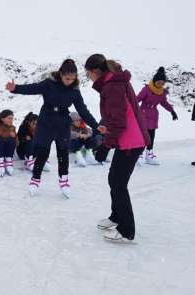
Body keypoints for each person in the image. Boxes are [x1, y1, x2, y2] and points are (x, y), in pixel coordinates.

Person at [6, 59, 100, 198]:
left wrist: (96, 127)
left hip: (62, 123)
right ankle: (35, 180)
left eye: (72, 79)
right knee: (42, 153)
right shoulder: (49, 84)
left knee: (63, 153)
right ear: (61, 74)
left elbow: (83, 111)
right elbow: (33, 88)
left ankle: (64, 181)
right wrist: (16, 88)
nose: (69, 81)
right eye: (67, 78)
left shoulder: (74, 90)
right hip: (46, 122)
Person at [85, 54, 150, 243]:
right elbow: (115, 116)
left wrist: (105, 145)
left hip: (131, 140)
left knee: (118, 183)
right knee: (114, 179)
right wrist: (107, 129)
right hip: (128, 137)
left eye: (88, 73)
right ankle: (116, 216)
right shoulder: (112, 82)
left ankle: (127, 231)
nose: (88, 77)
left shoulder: (112, 85)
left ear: (95, 71)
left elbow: (119, 121)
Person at [136, 67, 178, 165]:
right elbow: (137, 99)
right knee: (143, 136)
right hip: (143, 114)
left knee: (151, 136)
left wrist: (172, 111)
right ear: (154, 81)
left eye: (162, 83)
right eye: (159, 83)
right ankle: (138, 155)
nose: (160, 85)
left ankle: (149, 155)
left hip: (153, 116)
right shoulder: (146, 89)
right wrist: (129, 107)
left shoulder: (162, 92)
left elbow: (164, 103)